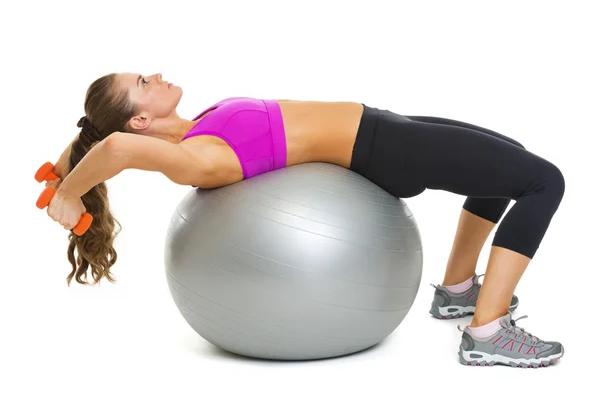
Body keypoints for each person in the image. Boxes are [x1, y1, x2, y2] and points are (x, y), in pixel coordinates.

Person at [43, 72, 565, 368]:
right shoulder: (201, 158)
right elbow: (114, 146)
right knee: (545, 181)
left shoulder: (194, 127)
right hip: (382, 149)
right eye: (142, 81)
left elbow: (98, 135)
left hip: (383, 125)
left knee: (509, 160)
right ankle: (488, 331)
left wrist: (63, 168)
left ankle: (457, 291)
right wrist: (69, 194)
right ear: (139, 120)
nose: (155, 75)